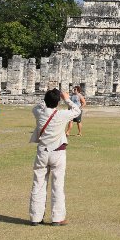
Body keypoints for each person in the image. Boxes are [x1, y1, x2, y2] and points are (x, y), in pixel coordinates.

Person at [29, 89, 81, 226]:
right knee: (57, 185)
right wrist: (67, 99)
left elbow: (36, 107)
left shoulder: (39, 113)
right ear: (58, 102)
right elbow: (77, 110)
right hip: (58, 152)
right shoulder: (61, 115)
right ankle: (57, 218)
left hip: (42, 152)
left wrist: (46, 99)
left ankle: (35, 217)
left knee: (38, 184)